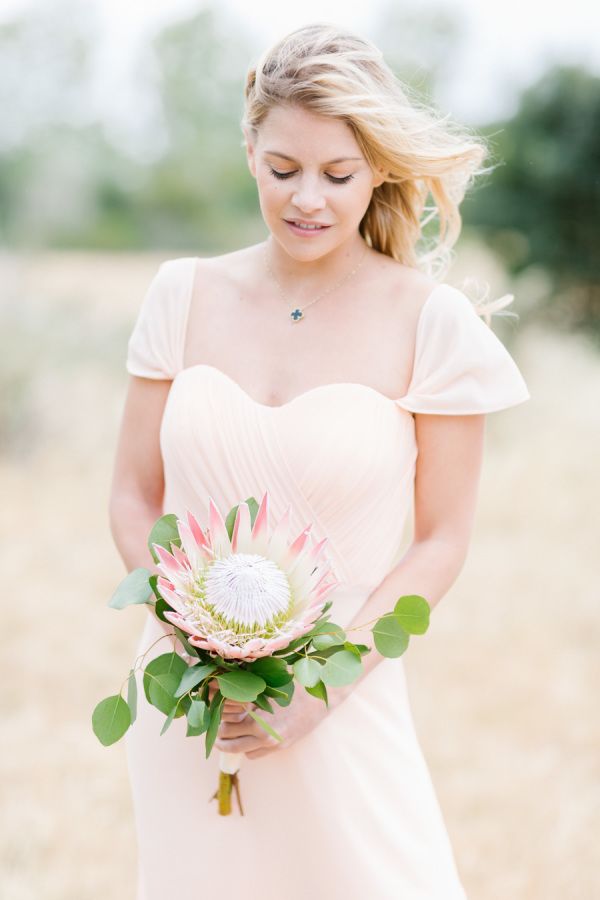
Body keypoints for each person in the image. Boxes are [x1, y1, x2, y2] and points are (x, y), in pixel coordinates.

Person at [109, 22, 530, 900]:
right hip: (193, 706)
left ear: (377, 166)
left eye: (337, 175)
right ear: (250, 152)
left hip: (344, 696)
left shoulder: (431, 321)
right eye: (282, 168)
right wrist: (200, 647)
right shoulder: (181, 296)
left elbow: (443, 540)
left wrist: (315, 695)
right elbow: (132, 493)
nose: (308, 199)